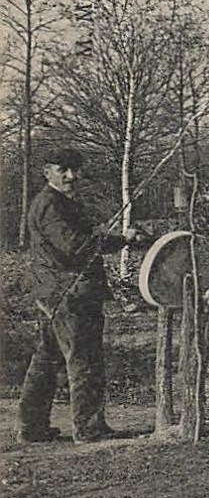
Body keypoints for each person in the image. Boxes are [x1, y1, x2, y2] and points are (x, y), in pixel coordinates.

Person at [18, 146, 143, 443]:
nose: (72, 176)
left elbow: (83, 240)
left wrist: (112, 239)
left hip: (56, 292)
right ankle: (88, 429)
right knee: (84, 358)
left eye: (76, 169)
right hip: (69, 294)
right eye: (64, 169)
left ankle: (31, 428)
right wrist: (120, 239)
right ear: (47, 171)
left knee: (47, 359)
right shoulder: (51, 205)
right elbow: (76, 247)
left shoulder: (62, 202)